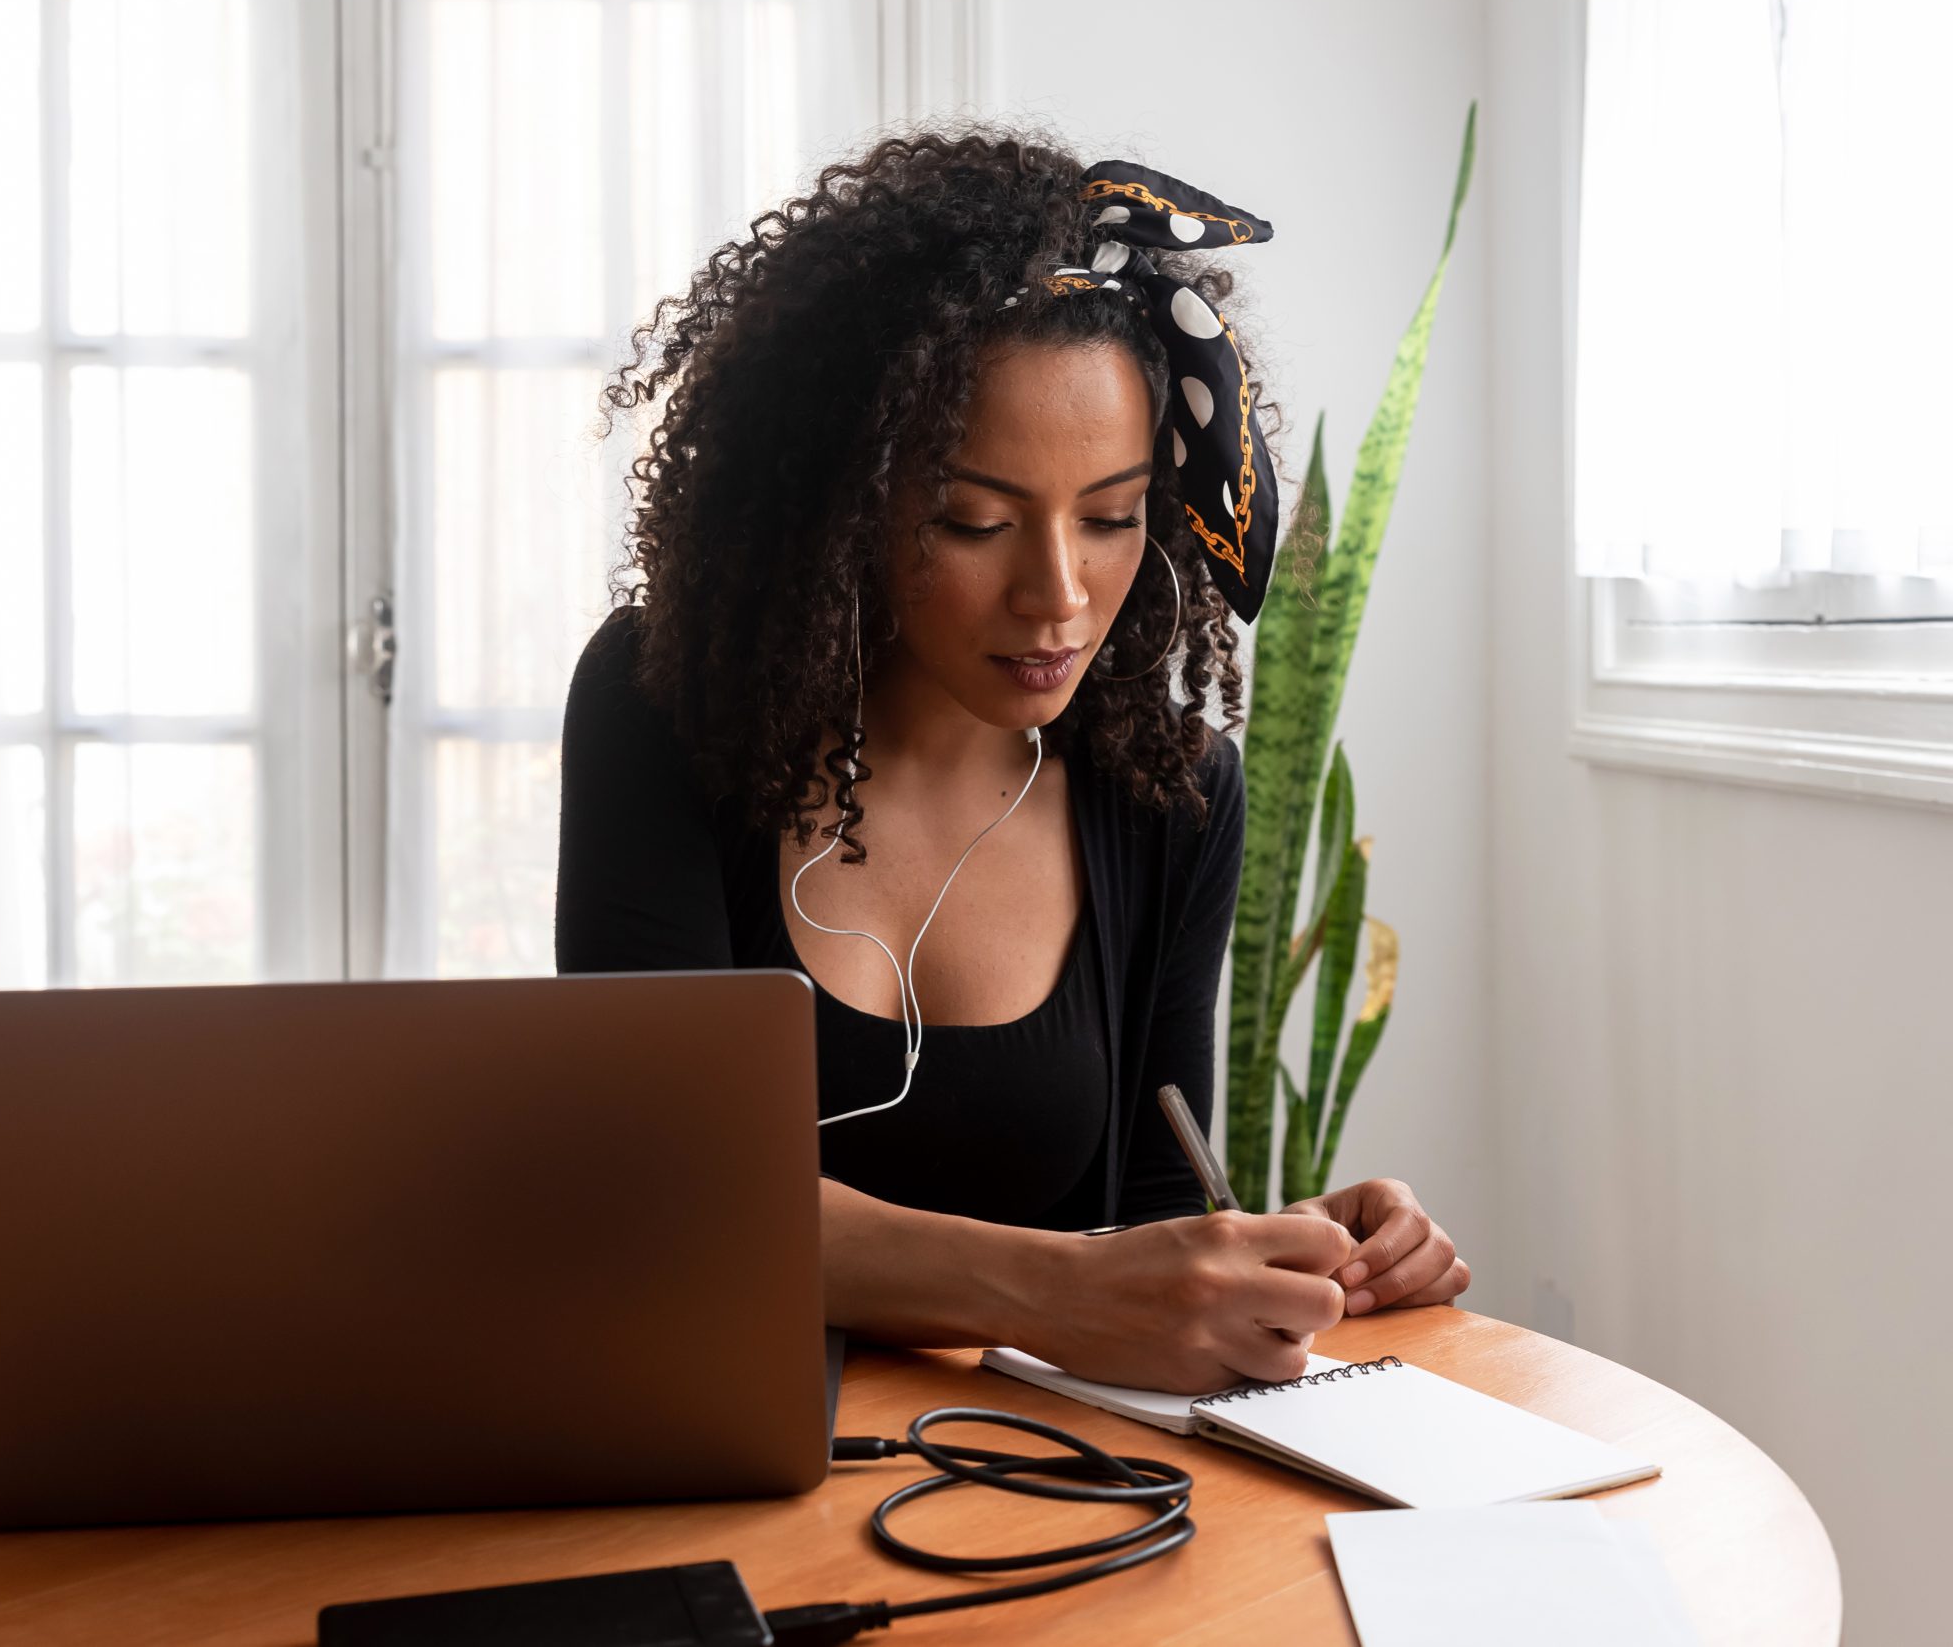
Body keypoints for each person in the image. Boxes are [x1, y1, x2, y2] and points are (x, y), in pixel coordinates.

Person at [554, 130, 1467, 1394]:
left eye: (1110, 517)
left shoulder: (1171, 795)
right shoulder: (665, 706)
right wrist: (1061, 1284)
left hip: (1018, 1469)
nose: (1058, 593)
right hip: (712, 1440)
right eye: (972, 520)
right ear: (843, 502)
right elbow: (656, 1188)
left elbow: (1146, 1206)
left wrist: (1281, 1253)